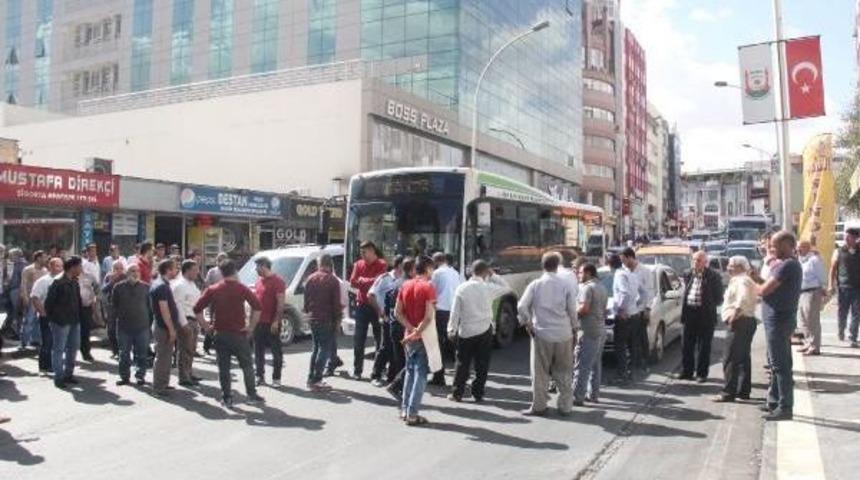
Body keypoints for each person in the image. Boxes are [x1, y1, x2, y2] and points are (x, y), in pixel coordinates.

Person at [193, 260, 265, 408]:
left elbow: (197, 308)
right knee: (247, 366)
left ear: (221, 272)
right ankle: (251, 394)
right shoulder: (242, 288)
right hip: (239, 333)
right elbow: (257, 307)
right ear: (235, 271)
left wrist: (206, 326)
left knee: (224, 368)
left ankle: (227, 397)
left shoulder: (214, 289)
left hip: (220, 333)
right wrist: (251, 327)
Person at [517, 252, 579, 416]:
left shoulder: (535, 284)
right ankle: (565, 406)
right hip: (564, 334)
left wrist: (528, 323)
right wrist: (575, 328)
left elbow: (521, 307)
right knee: (565, 371)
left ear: (542, 266)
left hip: (542, 334)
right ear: (557, 266)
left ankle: (539, 406)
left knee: (540, 372)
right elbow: (572, 310)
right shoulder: (565, 285)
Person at [446, 260, 509, 403]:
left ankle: (457, 393)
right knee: (482, 364)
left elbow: (455, 312)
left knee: (462, 363)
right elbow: (507, 287)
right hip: (485, 330)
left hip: (466, 331)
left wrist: (451, 329)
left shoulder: (462, 288)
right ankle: (478, 393)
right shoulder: (488, 287)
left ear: (471, 271)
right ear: (485, 272)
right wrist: (493, 275)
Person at [758, 231, 802, 421]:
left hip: (779, 320)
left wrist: (748, 281)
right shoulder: (786, 265)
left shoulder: (788, 265)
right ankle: (775, 401)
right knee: (778, 364)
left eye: (775, 245)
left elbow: (763, 290)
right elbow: (768, 287)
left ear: (786, 245)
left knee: (780, 365)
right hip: (778, 319)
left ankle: (785, 407)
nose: (772, 249)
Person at [395, 255, 437, 426]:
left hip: (408, 336)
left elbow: (397, 313)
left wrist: (410, 330)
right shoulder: (428, 287)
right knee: (420, 375)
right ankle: (412, 413)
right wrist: (418, 331)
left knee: (410, 372)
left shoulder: (405, 285)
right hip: (423, 337)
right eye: (432, 268)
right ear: (427, 268)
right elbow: (428, 317)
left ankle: (405, 410)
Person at [713, 256, 758, 403]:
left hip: (740, 321)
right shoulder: (742, 279)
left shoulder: (742, 280)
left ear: (739, 267)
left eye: (731, 266)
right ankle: (742, 390)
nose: (728, 268)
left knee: (730, 358)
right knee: (743, 357)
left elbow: (742, 299)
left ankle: (728, 392)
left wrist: (734, 315)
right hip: (745, 321)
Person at [677, 251, 724, 382]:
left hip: (705, 315)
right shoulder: (688, 274)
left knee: (704, 346)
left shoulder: (713, 276)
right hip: (689, 313)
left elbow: (719, 298)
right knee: (686, 344)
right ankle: (687, 371)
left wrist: (708, 304)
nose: (695, 263)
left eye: (698, 260)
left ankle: (701, 373)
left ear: (705, 262)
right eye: (694, 260)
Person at [304, 254, 343, 391]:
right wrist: (338, 321)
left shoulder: (310, 278)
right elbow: (336, 305)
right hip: (327, 319)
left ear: (319, 264)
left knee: (316, 348)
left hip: (313, 318)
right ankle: (317, 379)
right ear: (330, 264)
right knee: (324, 349)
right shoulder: (333, 280)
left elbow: (306, 302)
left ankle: (311, 378)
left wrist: (309, 313)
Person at [349, 241, 387, 380]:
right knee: (359, 339)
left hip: (376, 306)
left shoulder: (382, 264)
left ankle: (379, 370)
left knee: (379, 339)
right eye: (361, 252)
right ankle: (357, 370)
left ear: (372, 251)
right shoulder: (358, 264)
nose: (362, 255)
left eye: (364, 252)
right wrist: (367, 281)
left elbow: (379, 282)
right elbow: (352, 281)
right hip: (362, 305)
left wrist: (363, 281)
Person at [45, 256, 85, 389]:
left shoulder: (74, 281)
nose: (81, 269)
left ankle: (69, 374)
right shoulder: (57, 282)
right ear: (73, 267)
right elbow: (48, 304)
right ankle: (59, 377)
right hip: (60, 322)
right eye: (79, 266)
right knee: (58, 349)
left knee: (73, 348)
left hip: (74, 321)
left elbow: (78, 301)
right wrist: (54, 320)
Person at [573, 263, 608, 406]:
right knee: (595, 364)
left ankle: (578, 397)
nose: (579, 275)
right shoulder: (602, 287)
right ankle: (593, 395)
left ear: (588, 273)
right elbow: (604, 310)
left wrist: (572, 314)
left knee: (582, 364)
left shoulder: (587, 288)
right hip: (600, 329)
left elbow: (584, 309)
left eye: (580, 273)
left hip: (587, 330)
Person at [112, 264, 152, 386]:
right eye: (132, 271)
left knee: (142, 353)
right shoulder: (118, 287)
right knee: (124, 353)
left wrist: (149, 324)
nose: (135, 273)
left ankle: (140, 376)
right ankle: (124, 376)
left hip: (142, 326)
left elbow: (150, 308)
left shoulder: (146, 287)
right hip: (124, 326)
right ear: (127, 273)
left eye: (137, 271)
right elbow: (114, 305)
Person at [368, 255, 405, 387]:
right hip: (387, 317)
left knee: (396, 349)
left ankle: (392, 377)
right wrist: (381, 313)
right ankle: (376, 375)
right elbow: (371, 295)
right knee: (386, 347)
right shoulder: (384, 278)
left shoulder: (404, 280)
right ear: (399, 265)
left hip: (399, 319)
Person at [252, 257, 287, 387]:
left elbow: (281, 304)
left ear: (263, 266)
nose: (256, 270)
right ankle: (259, 376)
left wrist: (276, 321)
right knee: (258, 350)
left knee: (276, 351)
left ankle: (276, 378)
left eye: (257, 267)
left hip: (272, 322)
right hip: (259, 322)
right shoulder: (259, 282)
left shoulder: (278, 281)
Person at [620, 248, 654, 376]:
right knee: (630, 339)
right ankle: (633, 363)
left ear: (630, 257)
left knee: (642, 337)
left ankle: (645, 362)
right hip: (629, 311)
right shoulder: (625, 272)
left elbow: (650, 291)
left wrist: (647, 308)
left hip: (640, 310)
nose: (623, 263)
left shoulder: (644, 271)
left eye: (624, 260)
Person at [429, 251, 461, 387]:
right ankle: (460, 377)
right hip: (454, 311)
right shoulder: (455, 273)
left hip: (441, 312)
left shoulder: (436, 274)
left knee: (438, 345)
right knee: (454, 344)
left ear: (435, 261)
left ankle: (439, 377)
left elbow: (431, 291)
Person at [151, 259, 180, 396]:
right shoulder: (161, 286)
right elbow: (164, 310)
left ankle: (164, 383)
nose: (177, 270)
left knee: (167, 357)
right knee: (162, 357)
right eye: (175, 268)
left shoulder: (162, 284)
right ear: (168, 270)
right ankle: (158, 387)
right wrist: (171, 329)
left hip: (163, 326)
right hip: (163, 328)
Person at [172, 260, 202, 387]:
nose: (197, 272)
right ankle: (184, 377)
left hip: (194, 320)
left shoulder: (192, 284)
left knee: (191, 349)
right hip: (186, 320)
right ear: (187, 270)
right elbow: (177, 305)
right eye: (195, 270)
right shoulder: (179, 285)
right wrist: (184, 324)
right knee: (184, 350)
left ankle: (189, 373)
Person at [30, 257, 63, 375]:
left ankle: (53, 365)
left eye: (61, 266)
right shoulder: (43, 281)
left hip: (59, 316)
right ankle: (44, 366)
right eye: (57, 266)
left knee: (57, 342)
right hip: (47, 316)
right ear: (50, 266)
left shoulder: (63, 281)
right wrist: (43, 313)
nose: (60, 269)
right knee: (47, 341)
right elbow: (35, 297)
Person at [608, 253, 637, 383]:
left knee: (620, 347)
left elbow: (624, 293)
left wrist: (620, 309)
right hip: (632, 314)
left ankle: (622, 375)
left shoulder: (619, 275)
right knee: (628, 346)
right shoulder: (629, 273)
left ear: (609, 265)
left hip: (623, 316)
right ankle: (628, 372)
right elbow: (640, 292)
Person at [829, 227, 860, 346]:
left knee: (856, 313)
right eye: (845, 236)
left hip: (858, 288)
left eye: (849, 237)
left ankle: (853, 337)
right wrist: (831, 285)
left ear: (856, 238)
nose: (846, 239)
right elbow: (832, 269)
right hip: (843, 287)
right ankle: (841, 330)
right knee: (842, 313)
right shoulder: (838, 251)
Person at [797, 240, 827, 355]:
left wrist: (824, 289)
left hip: (813, 292)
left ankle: (815, 346)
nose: (798, 250)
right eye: (797, 248)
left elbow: (822, 276)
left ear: (807, 248)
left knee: (812, 320)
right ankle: (808, 343)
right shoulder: (801, 260)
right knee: (803, 320)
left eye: (801, 248)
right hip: (802, 292)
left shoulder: (814, 260)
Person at [202, 252, 229, 355]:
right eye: (220, 259)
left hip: (227, 302)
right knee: (213, 323)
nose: (221, 261)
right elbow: (207, 285)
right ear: (217, 261)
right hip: (214, 301)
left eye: (224, 259)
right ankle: (207, 346)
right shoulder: (212, 271)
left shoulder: (230, 271)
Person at [19, 250, 48, 349]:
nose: (46, 259)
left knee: (38, 320)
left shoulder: (45, 270)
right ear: (38, 258)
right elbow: (23, 284)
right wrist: (25, 297)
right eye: (44, 257)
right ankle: (23, 342)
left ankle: (35, 340)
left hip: (42, 299)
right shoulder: (28, 269)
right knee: (28, 320)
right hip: (31, 297)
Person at [79, 244, 102, 362]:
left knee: (85, 330)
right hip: (75, 304)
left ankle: (85, 352)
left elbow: (96, 285)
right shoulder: (82, 266)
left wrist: (95, 297)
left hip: (87, 304)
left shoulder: (95, 265)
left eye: (95, 250)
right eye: (91, 251)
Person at [101, 261, 128, 358]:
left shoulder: (126, 276)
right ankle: (115, 351)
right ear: (112, 269)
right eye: (116, 268)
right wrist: (112, 281)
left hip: (124, 306)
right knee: (111, 329)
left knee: (123, 329)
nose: (119, 271)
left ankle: (123, 351)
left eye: (121, 268)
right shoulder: (109, 277)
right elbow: (103, 290)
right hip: (112, 306)